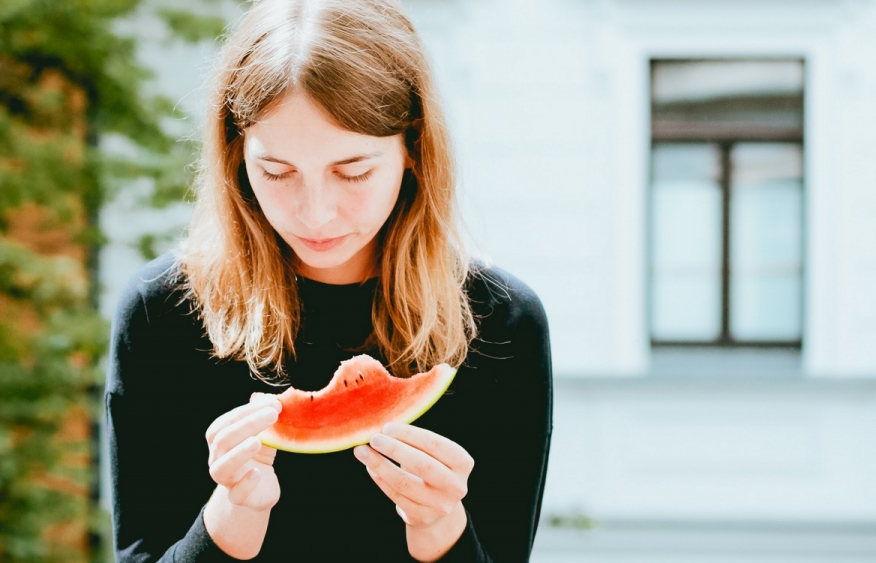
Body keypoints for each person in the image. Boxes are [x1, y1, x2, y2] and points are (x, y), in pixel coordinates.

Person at [105, 0, 553, 561]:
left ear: (412, 148)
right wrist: (229, 521)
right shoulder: (163, 312)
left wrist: (442, 531)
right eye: (276, 172)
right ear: (235, 154)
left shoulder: (501, 322)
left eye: (353, 171)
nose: (315, 214)